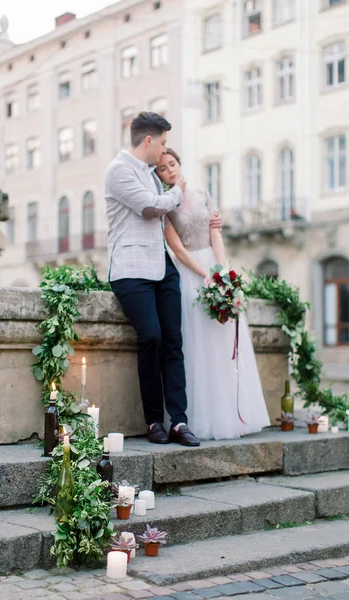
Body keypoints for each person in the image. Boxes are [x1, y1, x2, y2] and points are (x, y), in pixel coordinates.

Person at [105, 112, 221, 446]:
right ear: (149, 141)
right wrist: (179, 191)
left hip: (163, 266)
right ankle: (154, 420)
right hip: (131, 268)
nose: (165, 150)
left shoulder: (152, 175)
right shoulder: (119, 170)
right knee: (151, 338)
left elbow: (175, 218)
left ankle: (179, 422)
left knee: (173, 340)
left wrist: (210, 221)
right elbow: (150, 207)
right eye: (164, 142)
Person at [156, 149, 270, 440]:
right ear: (158, 176)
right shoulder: (165, 206)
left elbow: (215, 233)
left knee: (224, 341)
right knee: (196, 344)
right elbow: (178, 250)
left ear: (180, 164)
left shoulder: (203, 193)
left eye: (172, 164)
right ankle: (198, 418)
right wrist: (204, 275)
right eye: (162, 168)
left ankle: (233, 417)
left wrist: (222, 273)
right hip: (189, 273)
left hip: (213, 266)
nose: (169, 170)